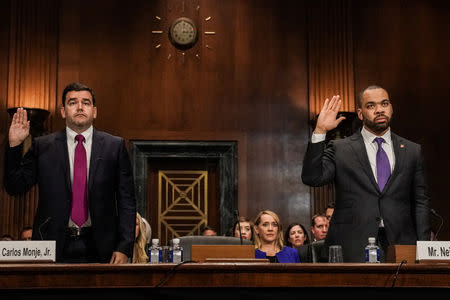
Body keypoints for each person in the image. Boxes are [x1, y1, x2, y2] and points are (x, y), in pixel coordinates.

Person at [4, 82, 136, 263]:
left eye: (86, 103)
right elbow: (15, 187)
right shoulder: (43, 146)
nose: (80, 107)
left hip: (102, 246)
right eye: (73, 102)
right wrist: (14, 145)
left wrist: (124, 247)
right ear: (63, 111)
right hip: (52, 246)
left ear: (94, 111)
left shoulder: (115, 147)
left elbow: (127, 201)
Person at [301, 85, 430, 262]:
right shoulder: (341, 149)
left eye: (384, 104)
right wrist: (320, 130)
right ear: (360, 114)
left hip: (401, 244)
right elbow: (312, 177)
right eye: (371, 106)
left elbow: (420, 201)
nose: (379, 110)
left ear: (391, 108)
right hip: (352, 244)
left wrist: (423, 248)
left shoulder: (412, 150)